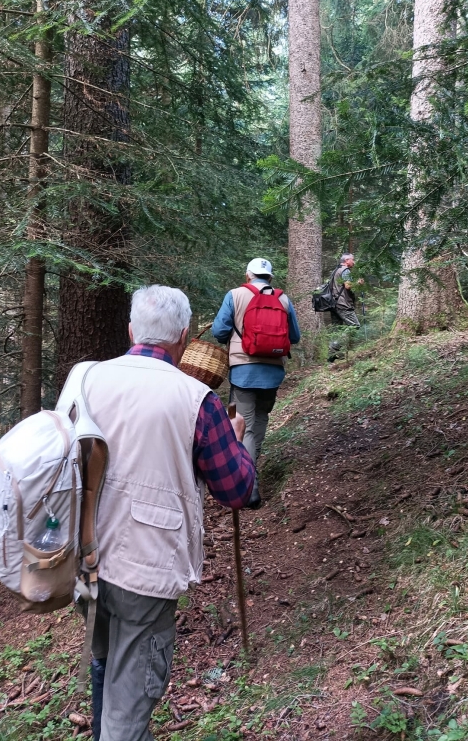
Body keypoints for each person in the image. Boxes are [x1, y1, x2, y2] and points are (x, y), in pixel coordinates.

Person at [73, 286, 255, 741]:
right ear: (184, 337)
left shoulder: (86, 380)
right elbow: (236, 489)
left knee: (105, 659)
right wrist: (235, 441)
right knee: (129, 701)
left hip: (82, 555)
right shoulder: (197, 399)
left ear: (131, 331)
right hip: (146, 566)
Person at [212, 258, 301, 509]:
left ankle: (248, 487)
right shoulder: (283, 299)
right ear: (270, 277)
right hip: (272, 372)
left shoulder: (235, 295)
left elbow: (219, 331)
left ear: (248, 275)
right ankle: (249, 471)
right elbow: (294, 336)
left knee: (243, 426)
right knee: (259, 421)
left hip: (242, 371)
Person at [330, 253, 363, 328]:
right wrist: (358, 283)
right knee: (355, 326)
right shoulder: (345, 270)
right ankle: (347, 336)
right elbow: (348, 286)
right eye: (352, 260)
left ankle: (337, 337)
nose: (354, 262)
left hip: (333, 303)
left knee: (337, 329)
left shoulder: (336, 270)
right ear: (347, 260)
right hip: (343, 304)